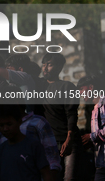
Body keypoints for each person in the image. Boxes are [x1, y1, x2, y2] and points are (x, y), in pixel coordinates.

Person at [0, 84, 61, 178]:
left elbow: (52, 156)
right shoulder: (0, 129)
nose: (5, 128)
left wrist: (48, 176)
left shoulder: (38, 123)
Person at [41, 53, 81, 181]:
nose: (45, 68)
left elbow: (72, 114)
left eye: (50, 64)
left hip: (68, 141)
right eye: (44, 64)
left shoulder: (67, 86)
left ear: (59, 67)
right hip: (48, 143)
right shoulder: (39, 85)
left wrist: (69, 139)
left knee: (69, 178)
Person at [0, 105, 54, 181]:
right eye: (1, 125)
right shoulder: (0, 150)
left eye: (9, 124)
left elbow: (46, 174)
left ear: (19, 122)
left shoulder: (33, 146)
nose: (5, 129)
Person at [77, 75, 104, 180]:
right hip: (100, 163)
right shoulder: (94, 110)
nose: (80, 93)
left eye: (81, 89)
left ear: (91, 87)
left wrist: (92, 137)